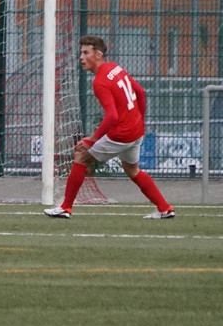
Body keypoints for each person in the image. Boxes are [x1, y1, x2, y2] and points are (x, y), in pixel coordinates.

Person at [45, 35, 174, 219]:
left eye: (86, 53)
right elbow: (140, 92)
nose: (81, 57)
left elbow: (112, 116)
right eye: (81, 53)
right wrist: (141, 121)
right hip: (136, 131)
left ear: (98, 55)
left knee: (81, 157)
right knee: (132, 170)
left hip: (121, 134)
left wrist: (92, 139)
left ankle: (65, 208)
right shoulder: (115, 67)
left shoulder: (99, 81)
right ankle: (165, 208)